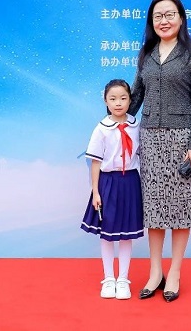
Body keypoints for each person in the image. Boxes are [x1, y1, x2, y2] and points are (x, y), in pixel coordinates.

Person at [129, 0, 191, 303]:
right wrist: (115, 120)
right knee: (154, 208)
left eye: (169, 14)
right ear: (151, 22)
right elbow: (137, 96)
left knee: (180, 208)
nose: (164, 21)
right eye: (157, 16)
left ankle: (174, 272)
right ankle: (155, 272)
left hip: (182, 141)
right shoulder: (146, 54)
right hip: (150, 140)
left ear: (181, 18)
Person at [80, 79, 144, 300]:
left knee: (126, 234)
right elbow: (95, 162)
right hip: (108, 182)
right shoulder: (101, 129)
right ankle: (108, 279)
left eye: (123, 98)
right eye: (113, 98)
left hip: (131, 182)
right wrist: (96, 192)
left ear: (130, 100)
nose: (118, 103)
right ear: (105, 101)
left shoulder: (136, 125)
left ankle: (123, 279)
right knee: (107, 234)